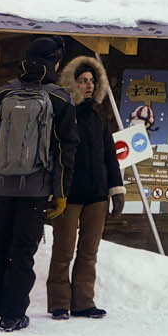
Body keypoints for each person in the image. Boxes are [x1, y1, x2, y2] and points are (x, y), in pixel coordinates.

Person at [0, 37, 77, 332]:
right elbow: (65, 150)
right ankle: (12, 315)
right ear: (55, 62)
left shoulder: (0, 94)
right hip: (34, 188)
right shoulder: (59, 99)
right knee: (22, 252)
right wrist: (60, 193)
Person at [48, 54, 126, 320]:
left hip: (97, 196)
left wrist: (116, 189)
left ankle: (83, 302)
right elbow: (53, 155)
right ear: (72, 83)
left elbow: (109, 156)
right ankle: (59, 303)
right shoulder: (63, 114)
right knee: (63, 252)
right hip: (69, 196)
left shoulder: (97, 116)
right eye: (82, 81)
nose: (88, 86)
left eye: (92, 81)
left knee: (89, 253)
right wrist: (53, 190)